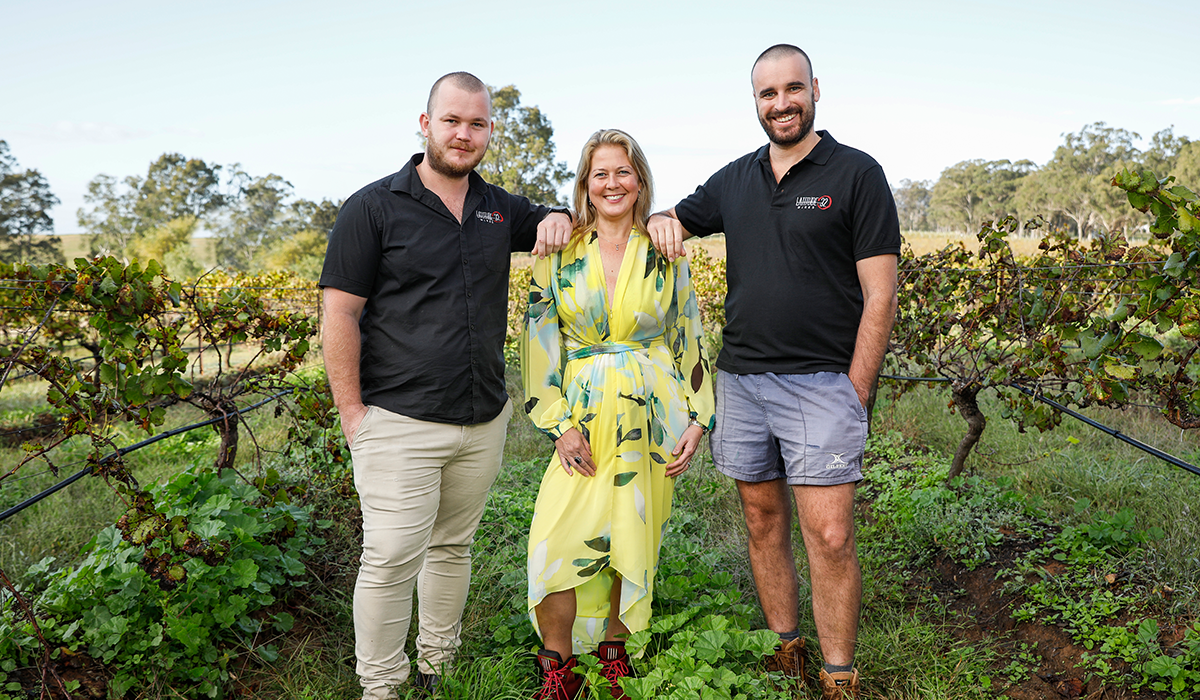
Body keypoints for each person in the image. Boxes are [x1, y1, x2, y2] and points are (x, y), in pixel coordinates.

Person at [647, 45, 900, 700]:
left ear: (815, 89)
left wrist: (856, 390)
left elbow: (881, 294)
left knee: (831, 534)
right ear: (754, 101)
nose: (781, 103)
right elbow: (675, 217)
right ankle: (786, 649)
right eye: (767, 94)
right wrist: (658, 217)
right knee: (763, 522)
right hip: (741, 384)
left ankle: (839, 676)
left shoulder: (855, 174)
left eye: (792, 89)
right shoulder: (735, 180)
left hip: (824, 385)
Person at [320, 71, 573, 700]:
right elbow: (339, 314)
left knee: (452, 547)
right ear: (426, 124)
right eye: (452, 121)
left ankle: (439, 665)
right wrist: (354, 415)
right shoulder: (373, 207)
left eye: (478, 123)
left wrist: (560, 214)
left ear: (490, 130)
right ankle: (380, 686)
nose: (465, 134)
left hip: (482, 420)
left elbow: (551, 220)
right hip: (398, 421)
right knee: (388, 560)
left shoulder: (497, 207)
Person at [521, 129, 716, 700]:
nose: (612, 183)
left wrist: (698, 418)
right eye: (601, 173)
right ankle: (555, 665)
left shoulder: (666, 249)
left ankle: (613, 653)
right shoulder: (558, 252)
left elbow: (689, 337)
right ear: (586, 183)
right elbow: (538, 342)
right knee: (555, 536)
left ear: (640, 182)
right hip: (582, 412)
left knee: (632, 535)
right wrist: (559, 424)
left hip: (652, 419)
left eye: (623, 172)